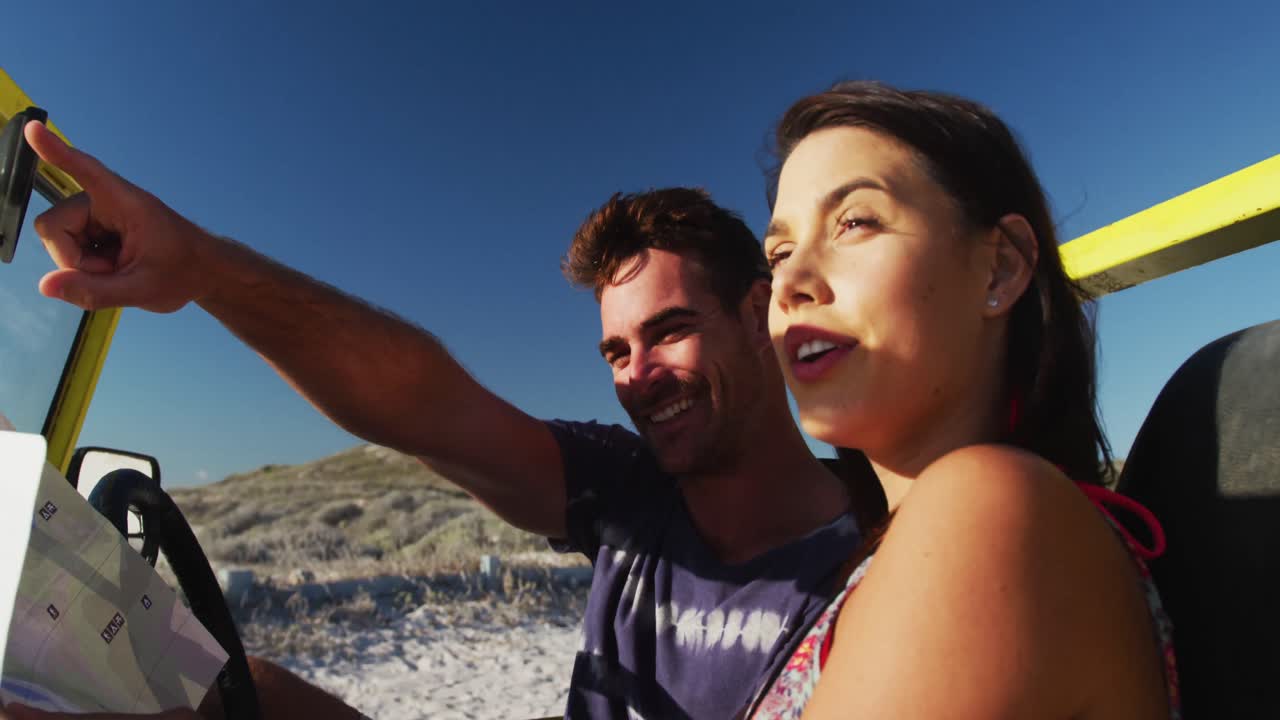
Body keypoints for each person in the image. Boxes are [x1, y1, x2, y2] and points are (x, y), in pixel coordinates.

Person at [4, 122, 860, 720]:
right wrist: (201, 269)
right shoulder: (631, 491)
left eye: (669, 331)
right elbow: (429, 408)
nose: (638, 378)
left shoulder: (884, 559)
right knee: (231, 690)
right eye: (614, 352)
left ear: (759, 314)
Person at [746, 82, 1179, 718]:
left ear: (1001, 269)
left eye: (855, 222)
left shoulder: (988, 509)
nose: (790, 284)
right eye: (779, 253)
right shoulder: (924, 537)